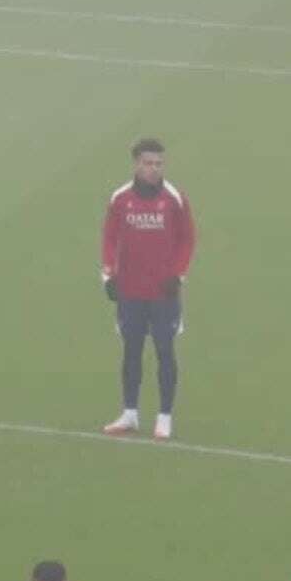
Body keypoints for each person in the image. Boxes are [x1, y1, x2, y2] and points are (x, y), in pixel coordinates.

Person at [100, 138, 193, 440]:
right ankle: (130, 414)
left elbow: (187, 239)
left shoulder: (175, 198)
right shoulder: (120, 199)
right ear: (136, 164)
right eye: (149, 163)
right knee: (131, 352)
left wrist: (177, 274)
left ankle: (164, 416)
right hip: (131, 291)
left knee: (165, 351)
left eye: (159, 164)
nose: (154, 169)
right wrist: (108, 275)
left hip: (164, 293)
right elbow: (109, 238)